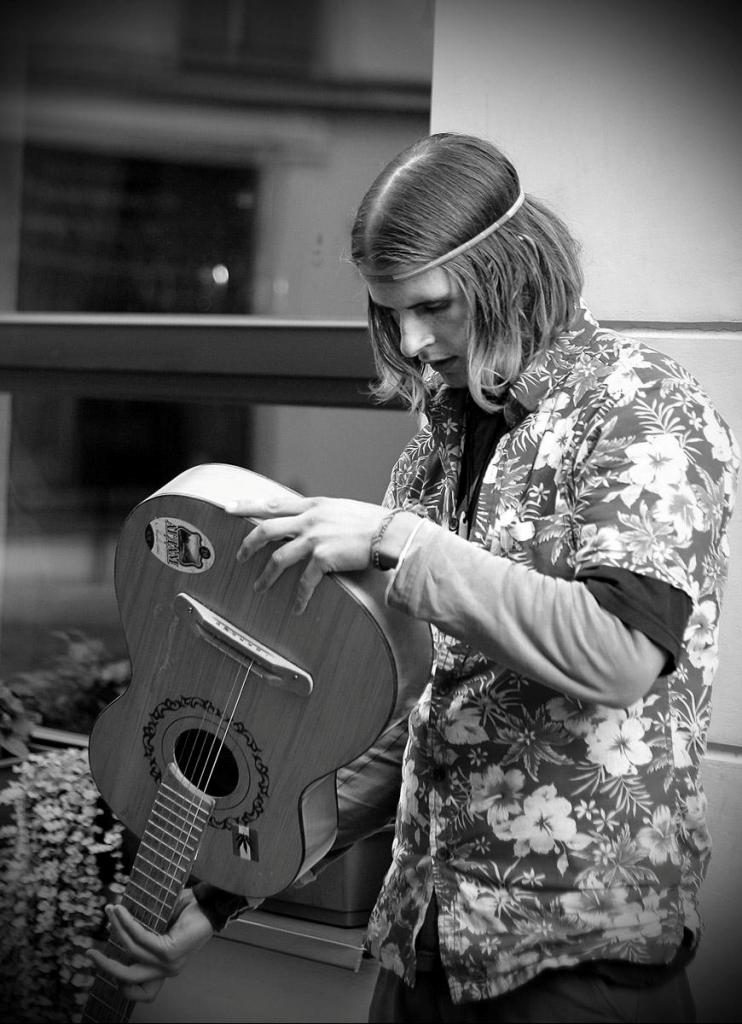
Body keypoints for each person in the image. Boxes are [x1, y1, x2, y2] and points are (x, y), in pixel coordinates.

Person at [89, 133, 739, 1022]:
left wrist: (398, 539)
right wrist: (218, 899)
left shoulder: (643, 407)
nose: (411, 341)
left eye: (433, 305)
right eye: (390, 311)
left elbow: (622, 655)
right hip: (420, 949)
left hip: (580, 968)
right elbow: (412, 717)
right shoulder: (442, 436)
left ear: (512, 270)